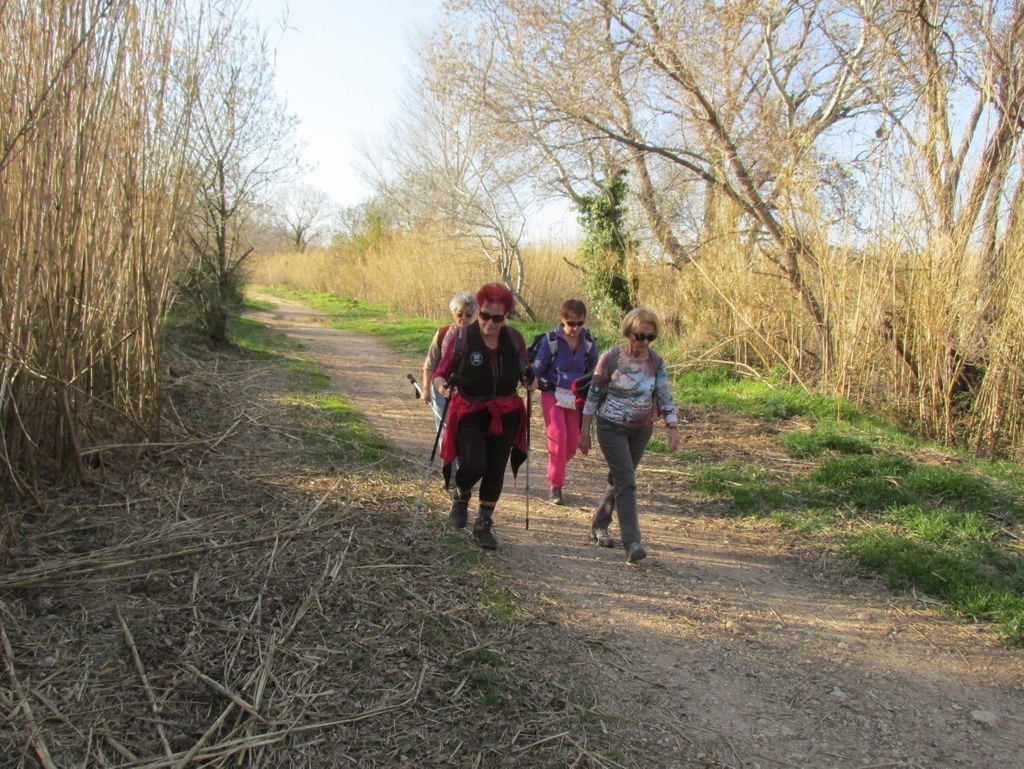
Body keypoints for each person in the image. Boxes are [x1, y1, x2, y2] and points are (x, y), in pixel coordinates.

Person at [432, 283, 534, 549]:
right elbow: (440, 373)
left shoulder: (514, 340)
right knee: (475, 464)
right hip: (470, 411)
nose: (489, 322)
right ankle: (462, 493)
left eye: (497, 318)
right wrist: (443, 386)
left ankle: (484, 524)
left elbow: (526, 372)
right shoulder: (463, 338)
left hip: (506, 412)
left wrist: (531, 380)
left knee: (496, 468)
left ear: (506, 318)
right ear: (479, 312)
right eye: (485, 315)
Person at [578, 308, 681, 564]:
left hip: (641, 429)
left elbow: (665, 396)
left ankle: (599, 524)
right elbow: (593, 396)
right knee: (627, 481)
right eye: (639, 335)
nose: (643, 342)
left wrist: (672, 427)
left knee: (620, 479)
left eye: (649, 337)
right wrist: (584, 432)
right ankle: (632, 541)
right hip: (611, 427)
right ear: (628, 332)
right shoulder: (612, 357)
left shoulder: (656, 362)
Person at [532, 299, 599, 505]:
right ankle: (556, 486)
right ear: (562, 320)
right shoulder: (551, 340)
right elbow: (538, 366)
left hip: (575, 397)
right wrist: (531, 379)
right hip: (552, 393)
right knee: (557, 435)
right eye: (571, 323)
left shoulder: (588, 341)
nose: (576, 328)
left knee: (571, 444)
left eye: (580, 323)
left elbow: (595, 368)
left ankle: (555, 466)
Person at [421, 292, 477, 433]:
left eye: (468, 315)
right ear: (453, 313)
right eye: (459, 314)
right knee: (445, 431)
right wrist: (426, 389)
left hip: (467, 393)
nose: (463, 318)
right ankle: (447, 455)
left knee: (463, 431)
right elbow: (430, 364)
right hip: (442, 388)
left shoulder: (477, 337)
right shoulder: (442, 334)